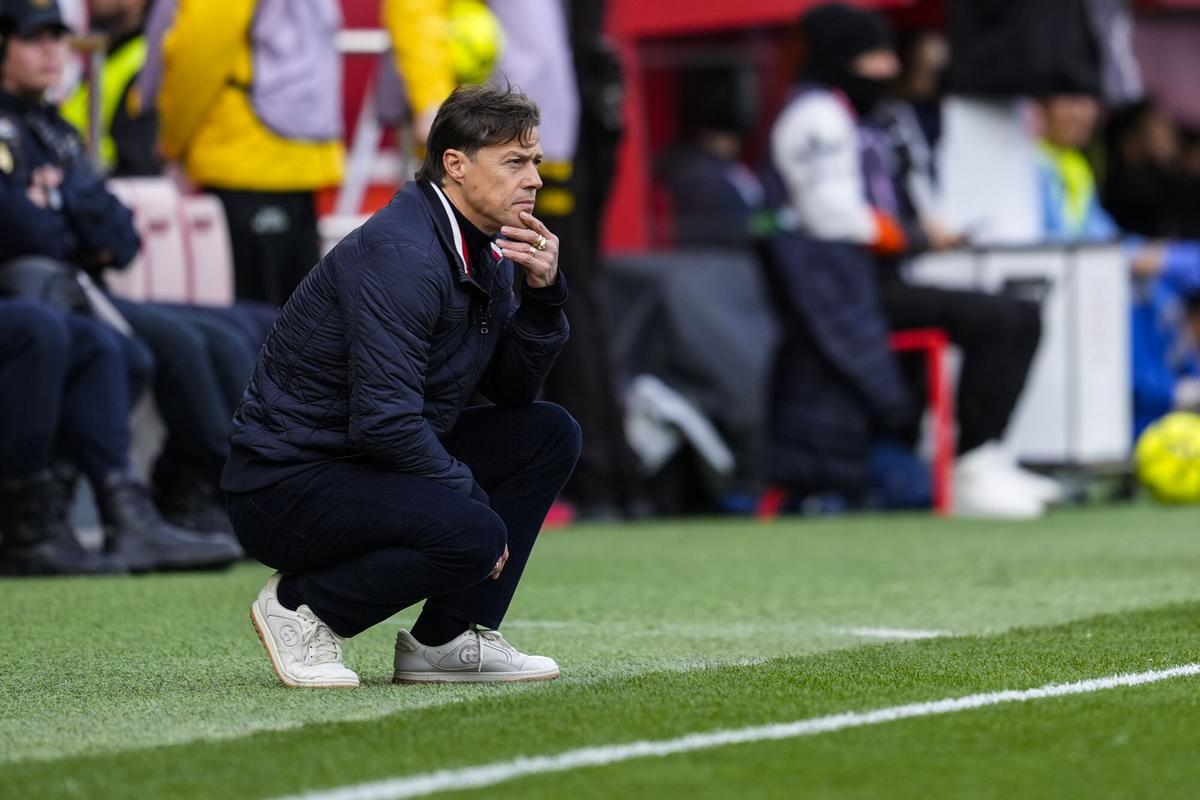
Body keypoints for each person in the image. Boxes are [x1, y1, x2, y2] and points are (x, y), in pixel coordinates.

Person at [223, 85, 580, 688]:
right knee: (473, 531)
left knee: (547, 435)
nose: (535, 180)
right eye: (515, 162)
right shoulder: (402, 253)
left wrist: (545, 300)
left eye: (535, 163)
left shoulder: (482, 245)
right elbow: (385, 420)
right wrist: (466, 496)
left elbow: (511, 394)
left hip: (363, 459)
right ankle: (303, 606)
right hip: (286, 481)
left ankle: (448, 639)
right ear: (455, 165)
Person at [766, 3, 1053, 518]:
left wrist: (921, 232)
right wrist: (915, 236)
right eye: (875, 56)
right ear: (842, 58)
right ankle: (972, 466)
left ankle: (986, 458)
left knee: (1012, 314)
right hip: (840, 293)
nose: (889, 69)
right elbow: (832, 219)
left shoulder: (854, 117)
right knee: (1007, 320)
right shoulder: (816, 116)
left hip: (869, 280)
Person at [0, 0, 242, 568]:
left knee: (230, 329)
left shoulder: (56, 130)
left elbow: (119, 233)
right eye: (34, 40)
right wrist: (72, 221)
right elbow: (22, 232)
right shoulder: (11, 128)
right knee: (132, 346)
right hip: (40, 289)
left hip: (77, 287)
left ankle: (203, 496)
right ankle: (52, 518)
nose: (51, 52)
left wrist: (62, 209)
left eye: (58, 39)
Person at [149, 0, 343, 306]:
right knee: (301, 327)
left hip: (243, 156)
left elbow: (198, 55)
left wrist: (171, 139)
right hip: (297, 155)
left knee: (252, 327)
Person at [1035, 90, 1200, 437]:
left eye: (1087, 102)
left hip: (1095, 280)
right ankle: (1164, 399)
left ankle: (1180, 390)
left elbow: (1105, 237)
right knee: (1139, 292)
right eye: (1068, 101)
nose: (1081, 114)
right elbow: (1063, 246)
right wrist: (1143, 258)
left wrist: (1159, 257)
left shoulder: (1074, 165)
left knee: (1163, 279)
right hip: (1061, 297)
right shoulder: (1028, 164)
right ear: (1038, 108)